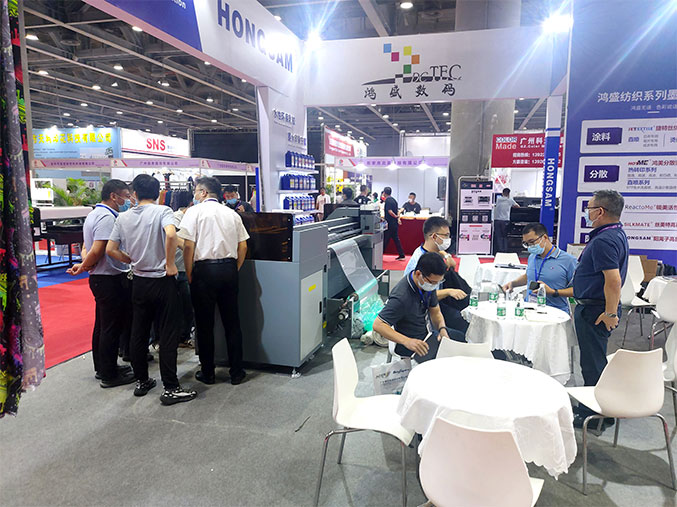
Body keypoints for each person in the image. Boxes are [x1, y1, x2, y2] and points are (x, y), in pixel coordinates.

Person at [107, 174, 197, 405]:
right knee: (167, 334)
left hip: (138, 280)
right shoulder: (162, 211)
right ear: (157, 193)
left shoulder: (123, 217)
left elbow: (111, 249)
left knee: (139, 332)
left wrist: (130, 259)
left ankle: (142, 381)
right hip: (162, 281)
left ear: (135, 194)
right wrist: (169, 264)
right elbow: (171, 234)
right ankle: (171, 387)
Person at [179, 177, 250, 386]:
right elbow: (243, 246)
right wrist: (234, 268)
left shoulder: (194, 212)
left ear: (203, 192)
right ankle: (236, 372)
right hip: (229, 269)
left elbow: (189, 246)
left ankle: (208, 372)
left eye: (196, 190)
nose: (194, 194)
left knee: (204, 324)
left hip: (204, 271)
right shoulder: (232, 214)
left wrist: (190, 273)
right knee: (232, 323)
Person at [67, 179, 135, 388]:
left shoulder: (95, 213)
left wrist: (85, 264)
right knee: (111, 327)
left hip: (102, 277)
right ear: (114, 196)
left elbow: (86, 247)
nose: (128, 200)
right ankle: (109, 374)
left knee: (103, 325)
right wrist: (85, 266)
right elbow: (98, 249)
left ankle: (104, 367)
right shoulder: (106, 217)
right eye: (126, 196)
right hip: (109, 278)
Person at [570, 190, 628, 428]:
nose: (587, 212)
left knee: (592, 364)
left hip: (596, 311)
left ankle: (594, 416)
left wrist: (610, 313)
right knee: (595, 360)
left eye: (590, 208)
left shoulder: (604, 240)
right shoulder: (614, 234)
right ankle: (604, 410)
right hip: (596, 308)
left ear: (600, 211)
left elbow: (613, 280)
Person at [373, 253, 453, 361]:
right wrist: (407, 341)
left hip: (427, 335)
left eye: (438, 282)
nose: (435, 285)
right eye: (433, 282)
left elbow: (435, 311)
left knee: (460, 339)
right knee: (448, 361)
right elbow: (378, 325)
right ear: (419, 274)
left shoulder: (427, 285)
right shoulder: (402, 297)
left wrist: (442, 329)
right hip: (410, 346)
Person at [403, 216, 470, 336]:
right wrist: (449, 292)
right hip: (426, 311)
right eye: (445, 236)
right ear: (434, 237)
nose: (448, 239)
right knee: (464, 326)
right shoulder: (419, 262)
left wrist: (446, 255)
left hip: (439, 303)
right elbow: (419, 296)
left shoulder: (432, 252)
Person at [502, 222, 578, 314]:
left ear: (544, 238)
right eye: (526, 244)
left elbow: (578, 290)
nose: (530, 246)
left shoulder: (568, 261)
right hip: (530, 310)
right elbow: (529, 276)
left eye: (532, 242)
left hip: (555, 313)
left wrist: (553, 292)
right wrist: (513, 283)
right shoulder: (532, 257)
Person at [173, 190, 195, 347]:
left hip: (186, 267)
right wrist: (193, 249)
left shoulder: (192, 218)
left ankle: (185, 335)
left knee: (187, 306)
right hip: (177, 268)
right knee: (179, 306)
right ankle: (179, 336)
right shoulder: (175, 218)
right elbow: (175, 238)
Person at [493, 188, 519, 253]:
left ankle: (499, 250)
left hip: (497, 220)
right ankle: (505, 250)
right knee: (504, 236)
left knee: (498, 236)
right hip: (505, 220)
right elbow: (517, 206)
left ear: (502, 193)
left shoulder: (498, 199)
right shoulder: (510, 200)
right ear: (509, 194)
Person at [382, 187, 405, 260]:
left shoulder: (388, 200)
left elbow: (390, 211)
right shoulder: (394, 200)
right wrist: (397, 218)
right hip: (394, 223)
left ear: (384, 193)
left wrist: (395, 216)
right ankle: (401, 254)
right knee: (395, 239)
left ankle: (380, 254)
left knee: (385, 239)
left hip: (389, 223)